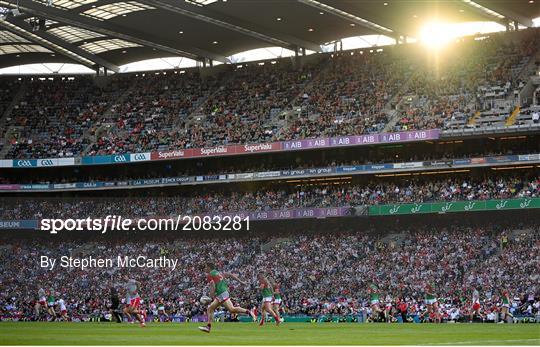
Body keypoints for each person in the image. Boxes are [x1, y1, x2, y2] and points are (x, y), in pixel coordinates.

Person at [198, 263, 256, 333]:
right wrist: (240, 282)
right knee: (227, 309)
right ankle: (249, 312)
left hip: (221, 293)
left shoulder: (210, 275)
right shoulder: (218, 273)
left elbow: (212, 285)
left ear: (209, 268)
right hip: (223, 292)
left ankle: (208, 327)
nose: (205, 269)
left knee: (213, 309)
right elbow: (229, 274)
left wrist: (210, 297)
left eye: (206, 267)